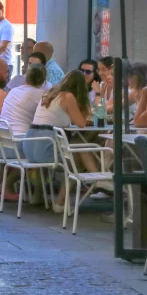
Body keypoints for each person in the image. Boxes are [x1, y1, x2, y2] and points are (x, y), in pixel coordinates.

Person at [23, 70, 106, 212]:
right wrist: (92, 98)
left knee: (77, 146)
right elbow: (80, 123)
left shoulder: (49, 93)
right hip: (45, 147)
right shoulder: (68, 97)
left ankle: (41, 196)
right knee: (77, 158)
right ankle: (61, 201)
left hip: (30, 145)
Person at [0, 64, 48, 136]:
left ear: (26, 77)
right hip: (19, 139)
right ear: (43, 80)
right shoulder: (41, 96)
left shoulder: (13, 91)